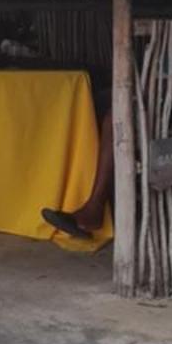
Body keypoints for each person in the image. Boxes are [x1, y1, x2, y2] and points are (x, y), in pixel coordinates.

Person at [42, 87, 114, 241]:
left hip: (165, 104)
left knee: (114, 121)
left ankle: (95, 208)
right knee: (89, 104)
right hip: (145, 94)